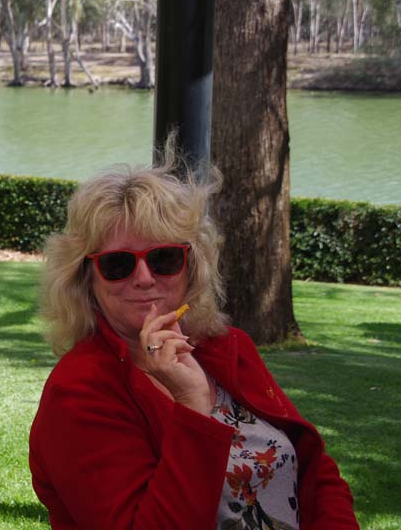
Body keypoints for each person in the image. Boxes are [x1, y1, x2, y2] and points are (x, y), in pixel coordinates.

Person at [29, 154, 359, 530]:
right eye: (118, 263)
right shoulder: (79, 391)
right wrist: (192, 405)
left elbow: (316, 472)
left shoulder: (226, 347)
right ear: (87, 278)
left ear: (192, 267)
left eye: (164, 258)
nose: (144, 278)